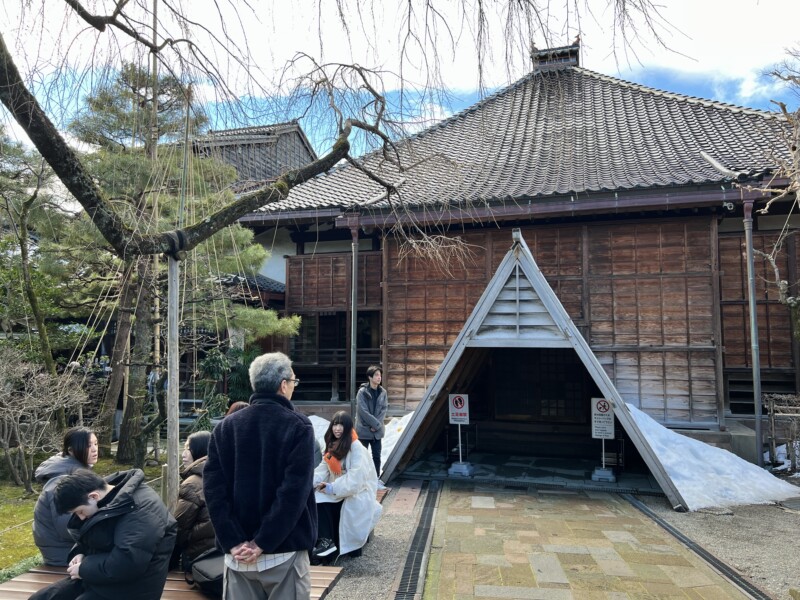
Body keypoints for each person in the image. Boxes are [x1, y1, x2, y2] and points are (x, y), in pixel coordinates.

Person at [204, 351, 317, 599]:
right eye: (294, 381)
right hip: (283, 551)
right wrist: (262, 541)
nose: (294, 387)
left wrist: (233, 541)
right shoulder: (298, 426)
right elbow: (293, 493)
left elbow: (213, 492)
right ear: (283, 385)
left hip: (237, 556)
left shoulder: (225, 428)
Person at [29, 468, 177, 600]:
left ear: (93, 496)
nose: (81, 517)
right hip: (99, 577)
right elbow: (95, 537)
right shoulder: (106, 498)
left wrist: (83, 569)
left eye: (80, 511)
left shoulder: (141, 509)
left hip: (132, 588)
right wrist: (80, 553)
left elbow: (128, 563)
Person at [312, 411, 382, 563]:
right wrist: (308, 482)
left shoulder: (357, 448)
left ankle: (327, 542)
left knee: (323, 500)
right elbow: (322, 470)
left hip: (357, 493)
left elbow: (356, 480)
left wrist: (332, 488)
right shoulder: (331, 446)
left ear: (348, 427)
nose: (337, 428)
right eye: (335, 424)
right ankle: (325, 541)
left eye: (341, 425)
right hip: (338, 489)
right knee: (314, 497)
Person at [32, 427, 99, 566]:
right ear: (71, 450)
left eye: (96, 443)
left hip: (74, 550)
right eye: (88, 445)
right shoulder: (61, 482)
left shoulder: (75, 474)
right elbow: (68, 527)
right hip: (65, 554)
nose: (94, 449)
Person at [172, 431, 215, 571]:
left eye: (188, 449)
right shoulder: (225, 473)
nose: (183, 454)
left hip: (199, 557)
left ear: (200, 450)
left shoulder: (192, 483)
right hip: (225, 552)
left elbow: (179, 528)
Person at [355, 365, 388, 481]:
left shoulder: (383, 392)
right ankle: (361, 479)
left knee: (376, 456)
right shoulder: (362, 392)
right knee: (361, 457)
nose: (379, 377)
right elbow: (363, 411)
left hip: (376, 432)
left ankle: (376, 479)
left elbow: (384, 409)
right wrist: (375, 424)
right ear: (370, 377)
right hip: (364, 430)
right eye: (376, 375)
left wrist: (377, 425)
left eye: (380, 375)